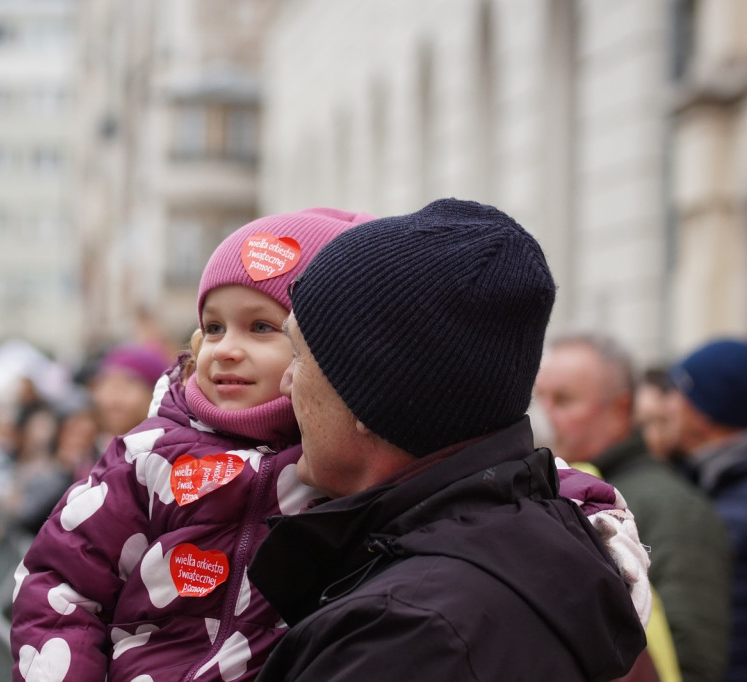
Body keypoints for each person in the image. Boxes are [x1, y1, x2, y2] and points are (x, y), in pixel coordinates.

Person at [12, 205, 649, 682]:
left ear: (367, 391)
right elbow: (58, 582)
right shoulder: (152, 451)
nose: (232, 351)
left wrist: (602, 524)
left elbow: (554, 484)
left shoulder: (411, 625)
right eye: (211, 328)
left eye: (278, 335)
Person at [246, 199, 647, 682]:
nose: (286, 383)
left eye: (299, 354)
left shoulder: (407, 635)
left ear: (372, 395)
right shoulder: (523, 554)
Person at [535, 333, 731, 682]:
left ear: (620, 408)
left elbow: (693, 658)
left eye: (563, 401)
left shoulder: (671, 506)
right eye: (540, 399)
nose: (546, 416)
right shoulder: (552, 493)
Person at [668, 338, 747, 682]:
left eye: (677, 394)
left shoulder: (730, 517)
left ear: (704, 412)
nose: (665, 406)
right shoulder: (702, 476)